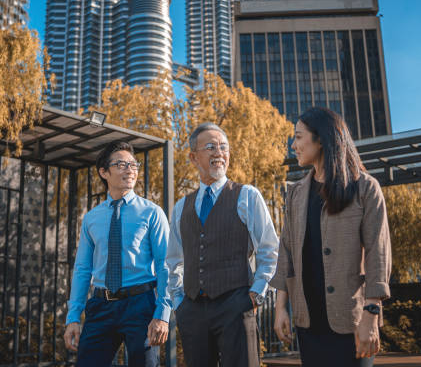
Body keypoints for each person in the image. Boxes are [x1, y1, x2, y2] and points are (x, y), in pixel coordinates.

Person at [271, 107, 392, 367]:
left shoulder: (365, 188)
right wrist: (281, 306)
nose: (293, 145)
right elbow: (287, 251)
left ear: (322, 139)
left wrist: (371, 313)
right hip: (308, 323)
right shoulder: (295, 193)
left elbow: (378, 254)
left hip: (353, 321)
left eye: (299, 137)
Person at [167, 122, 279, 367]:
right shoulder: (180, 207)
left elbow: (270, 249)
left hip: (236, 305)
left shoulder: (247, 195)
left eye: (223, 147)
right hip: (192, 309)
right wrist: (179, 302)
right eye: (210, 147)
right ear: (193, 157)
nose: (219, 153)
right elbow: (173, 261)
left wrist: (256, 294)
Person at [64, 140, 171, 367]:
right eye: (121, 164)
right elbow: (83, 269)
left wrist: (162, 313)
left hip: (141, 305)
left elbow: (166, 265)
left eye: (133, 164)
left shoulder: (152, 213)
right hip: (100, 305)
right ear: (104, 172)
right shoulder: (92, 218)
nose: (130, 169)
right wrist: (73, 317)